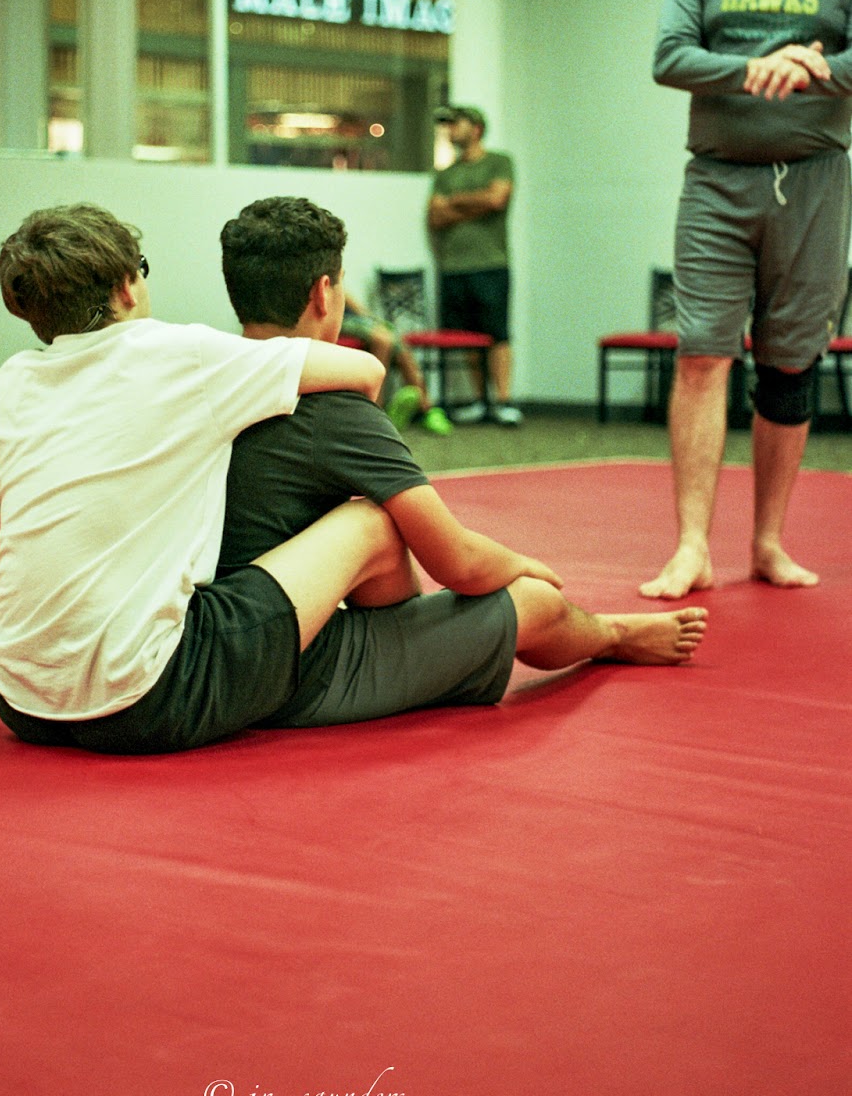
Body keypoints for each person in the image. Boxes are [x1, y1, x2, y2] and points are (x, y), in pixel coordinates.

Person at [217, 195, 707, 731]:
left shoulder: (205, 381)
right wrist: (525, 565)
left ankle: (420, 647)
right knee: (536, 601)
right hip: (292, 672)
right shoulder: (334, 407)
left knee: (378, 528)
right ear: (324, 292)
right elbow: (459, 565)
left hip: (218, 631)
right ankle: (614, 635)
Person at [0, 202, 416, 755]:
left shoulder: (14, 380)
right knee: (370, 521)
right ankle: (406, 644)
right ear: (127, 286)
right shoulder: (178, 353)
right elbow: (368, 370)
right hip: (147, 700)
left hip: (19, 696)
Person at [641, 0, 852, 601]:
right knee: (701, 352)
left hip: (815, 179)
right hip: (718, 179)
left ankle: (767, 542)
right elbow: (669, 54)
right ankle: (691, 545)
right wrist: (766, 63)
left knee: (791, 361)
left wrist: (815, 68)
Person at [428, 104, 522, 425]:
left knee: (497, 334)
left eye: (456, 123)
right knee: (468, 337)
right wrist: (474, 204)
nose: (450, 129)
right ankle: (480, 401)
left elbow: (497, 198)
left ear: (477, 128)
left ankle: (504, 402)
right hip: (454, 266)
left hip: (491, 263)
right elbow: (436, 216)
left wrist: (455, 202)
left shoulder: (500, 162)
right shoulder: (445, 173)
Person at [340, 289, 453, 435]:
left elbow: (344, 293)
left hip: (353, 317)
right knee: (384, 340)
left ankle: (427, 409)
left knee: (395, 338)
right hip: (338, 319)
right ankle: (375, 412)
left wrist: (370, 318)